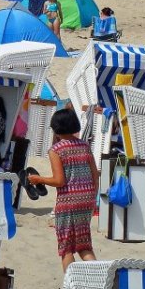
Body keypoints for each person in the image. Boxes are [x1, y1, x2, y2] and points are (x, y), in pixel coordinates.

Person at [28, 108, 98, 272]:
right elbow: (95, 175)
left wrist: (38, 179)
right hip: (87, 199)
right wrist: (91, 197)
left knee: (66, 248)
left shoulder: (56, 150)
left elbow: (60, 181)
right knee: (84, 245)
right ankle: (97, 280)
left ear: (56, 128)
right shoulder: (84, 146)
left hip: (68, 202)